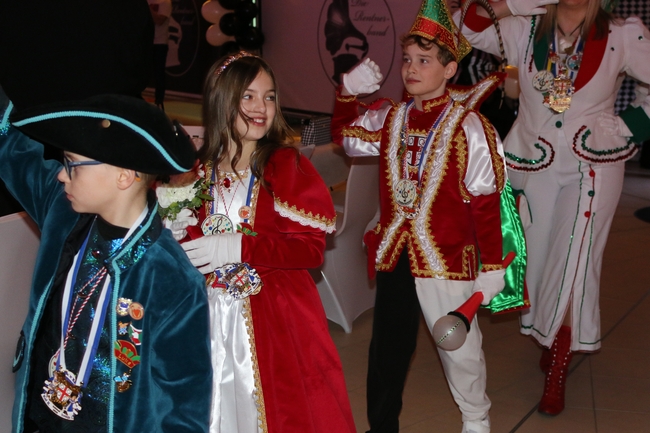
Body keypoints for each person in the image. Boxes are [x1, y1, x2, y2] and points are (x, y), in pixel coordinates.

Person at [330, 0, 519, 431]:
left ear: (450, 69)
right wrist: (346, 93)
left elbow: (486, 201)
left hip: (446, 259)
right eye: (408, 59)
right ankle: (382, 427)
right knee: (387, 351)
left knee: (458, 348)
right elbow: (345, 137)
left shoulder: (470, 127)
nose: (411, 69)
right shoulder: (391, 118)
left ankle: (476, 419)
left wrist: (492, 266)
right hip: (397, 252)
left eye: (425, 60)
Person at [457, 0, 650, 416]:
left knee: (574, 258)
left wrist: (631, 124)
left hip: (594, 165)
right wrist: (513, 3)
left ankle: (559, 361)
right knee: (539, 261)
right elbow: (463, 28)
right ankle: (551, 334)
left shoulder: (621, 34)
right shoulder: (521, 28)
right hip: (535, 163)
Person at [160, 52, 356, 433]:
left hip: (275, 315)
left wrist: (240, 247)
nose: (261, 107)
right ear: (222, 101)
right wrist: (178, 232)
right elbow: (197, 247)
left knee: (280, 409)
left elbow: (310, 250)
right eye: (248, 96)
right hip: (207, 316)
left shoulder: (284, 166)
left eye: (269, 97)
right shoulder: (197, 170)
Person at [0, 89, 212, 432]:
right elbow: (14, 152)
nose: (62, 174)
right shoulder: (63, 213)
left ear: (123, 176)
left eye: (72, 164)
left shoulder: (171, 278)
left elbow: (185, 403)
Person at [148, 0, 172, 111]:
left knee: (159, 73)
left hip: (160, 43)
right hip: (145, 42)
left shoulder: (165, 2)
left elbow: (159, 21)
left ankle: (159, 101)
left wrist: (147, 8)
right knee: (140, 72)